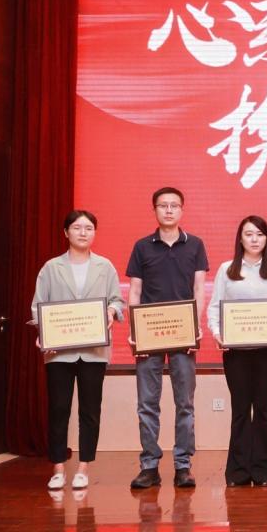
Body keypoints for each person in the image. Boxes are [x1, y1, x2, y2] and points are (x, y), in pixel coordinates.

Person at [31, 210, 125, 490]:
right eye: (77, 227)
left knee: (90, 410)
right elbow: (38, 306)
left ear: (94, 233)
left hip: (94, 351)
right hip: (60, 352)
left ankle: (84, 467)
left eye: (88, 228)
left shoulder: (105, 266)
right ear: (66, 232)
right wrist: (43, 332)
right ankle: (58, 468)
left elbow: (117, 300)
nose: (83, 232)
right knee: (59, 409)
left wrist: (111, 311)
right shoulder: (51, 268)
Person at [126, 187, 208, 489]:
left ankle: (183, 465)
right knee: (147, 403)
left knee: (185, 403)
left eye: (174, 205)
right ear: (155, 210)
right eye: (163, 205)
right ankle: (149, 466)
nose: (169, 210)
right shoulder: (142, 246)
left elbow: (199, 289)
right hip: (149, 336)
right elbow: (135, 291)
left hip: (183, 334)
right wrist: (135, 332)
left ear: (182, 210)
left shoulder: (195, 244)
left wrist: (194, 326)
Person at [207, 215, 267, 487]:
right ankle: (238, 471)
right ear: (240, 239)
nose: (254, 239)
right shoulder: (227, 269)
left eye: (260, 234)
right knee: (241, 409)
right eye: (249, 234)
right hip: (236, 352)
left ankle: (264, 470)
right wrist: (218, 333)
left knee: (263, 409)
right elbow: (215, 306)